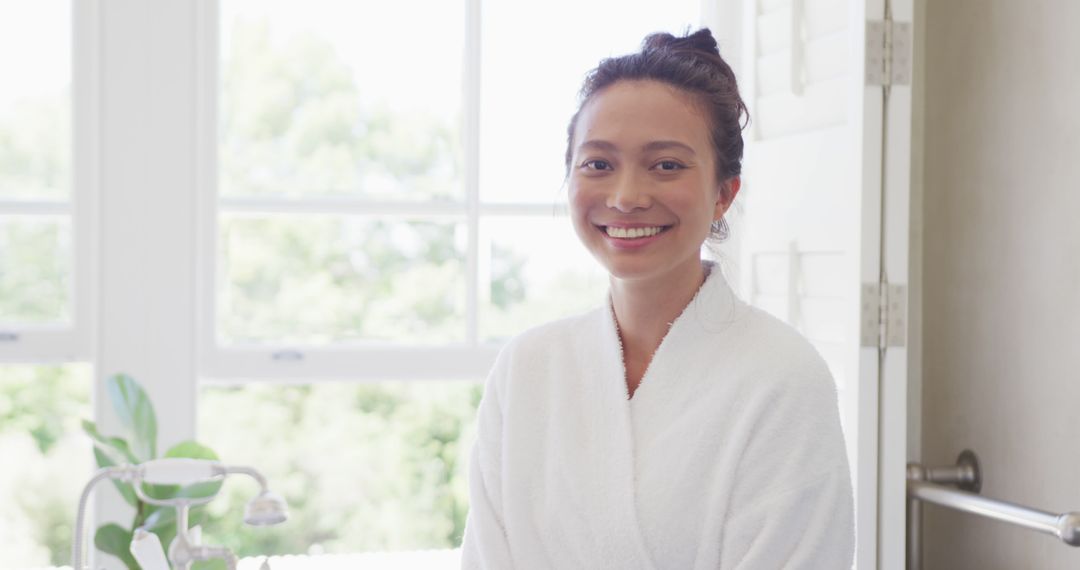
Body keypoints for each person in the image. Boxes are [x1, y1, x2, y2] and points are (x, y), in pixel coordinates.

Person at [461, 28, 853, 569]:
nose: (626, 198)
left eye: (666, 165)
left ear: (724, 192)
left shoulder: (783, 377)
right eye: (598, 164)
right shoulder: (526, 368)